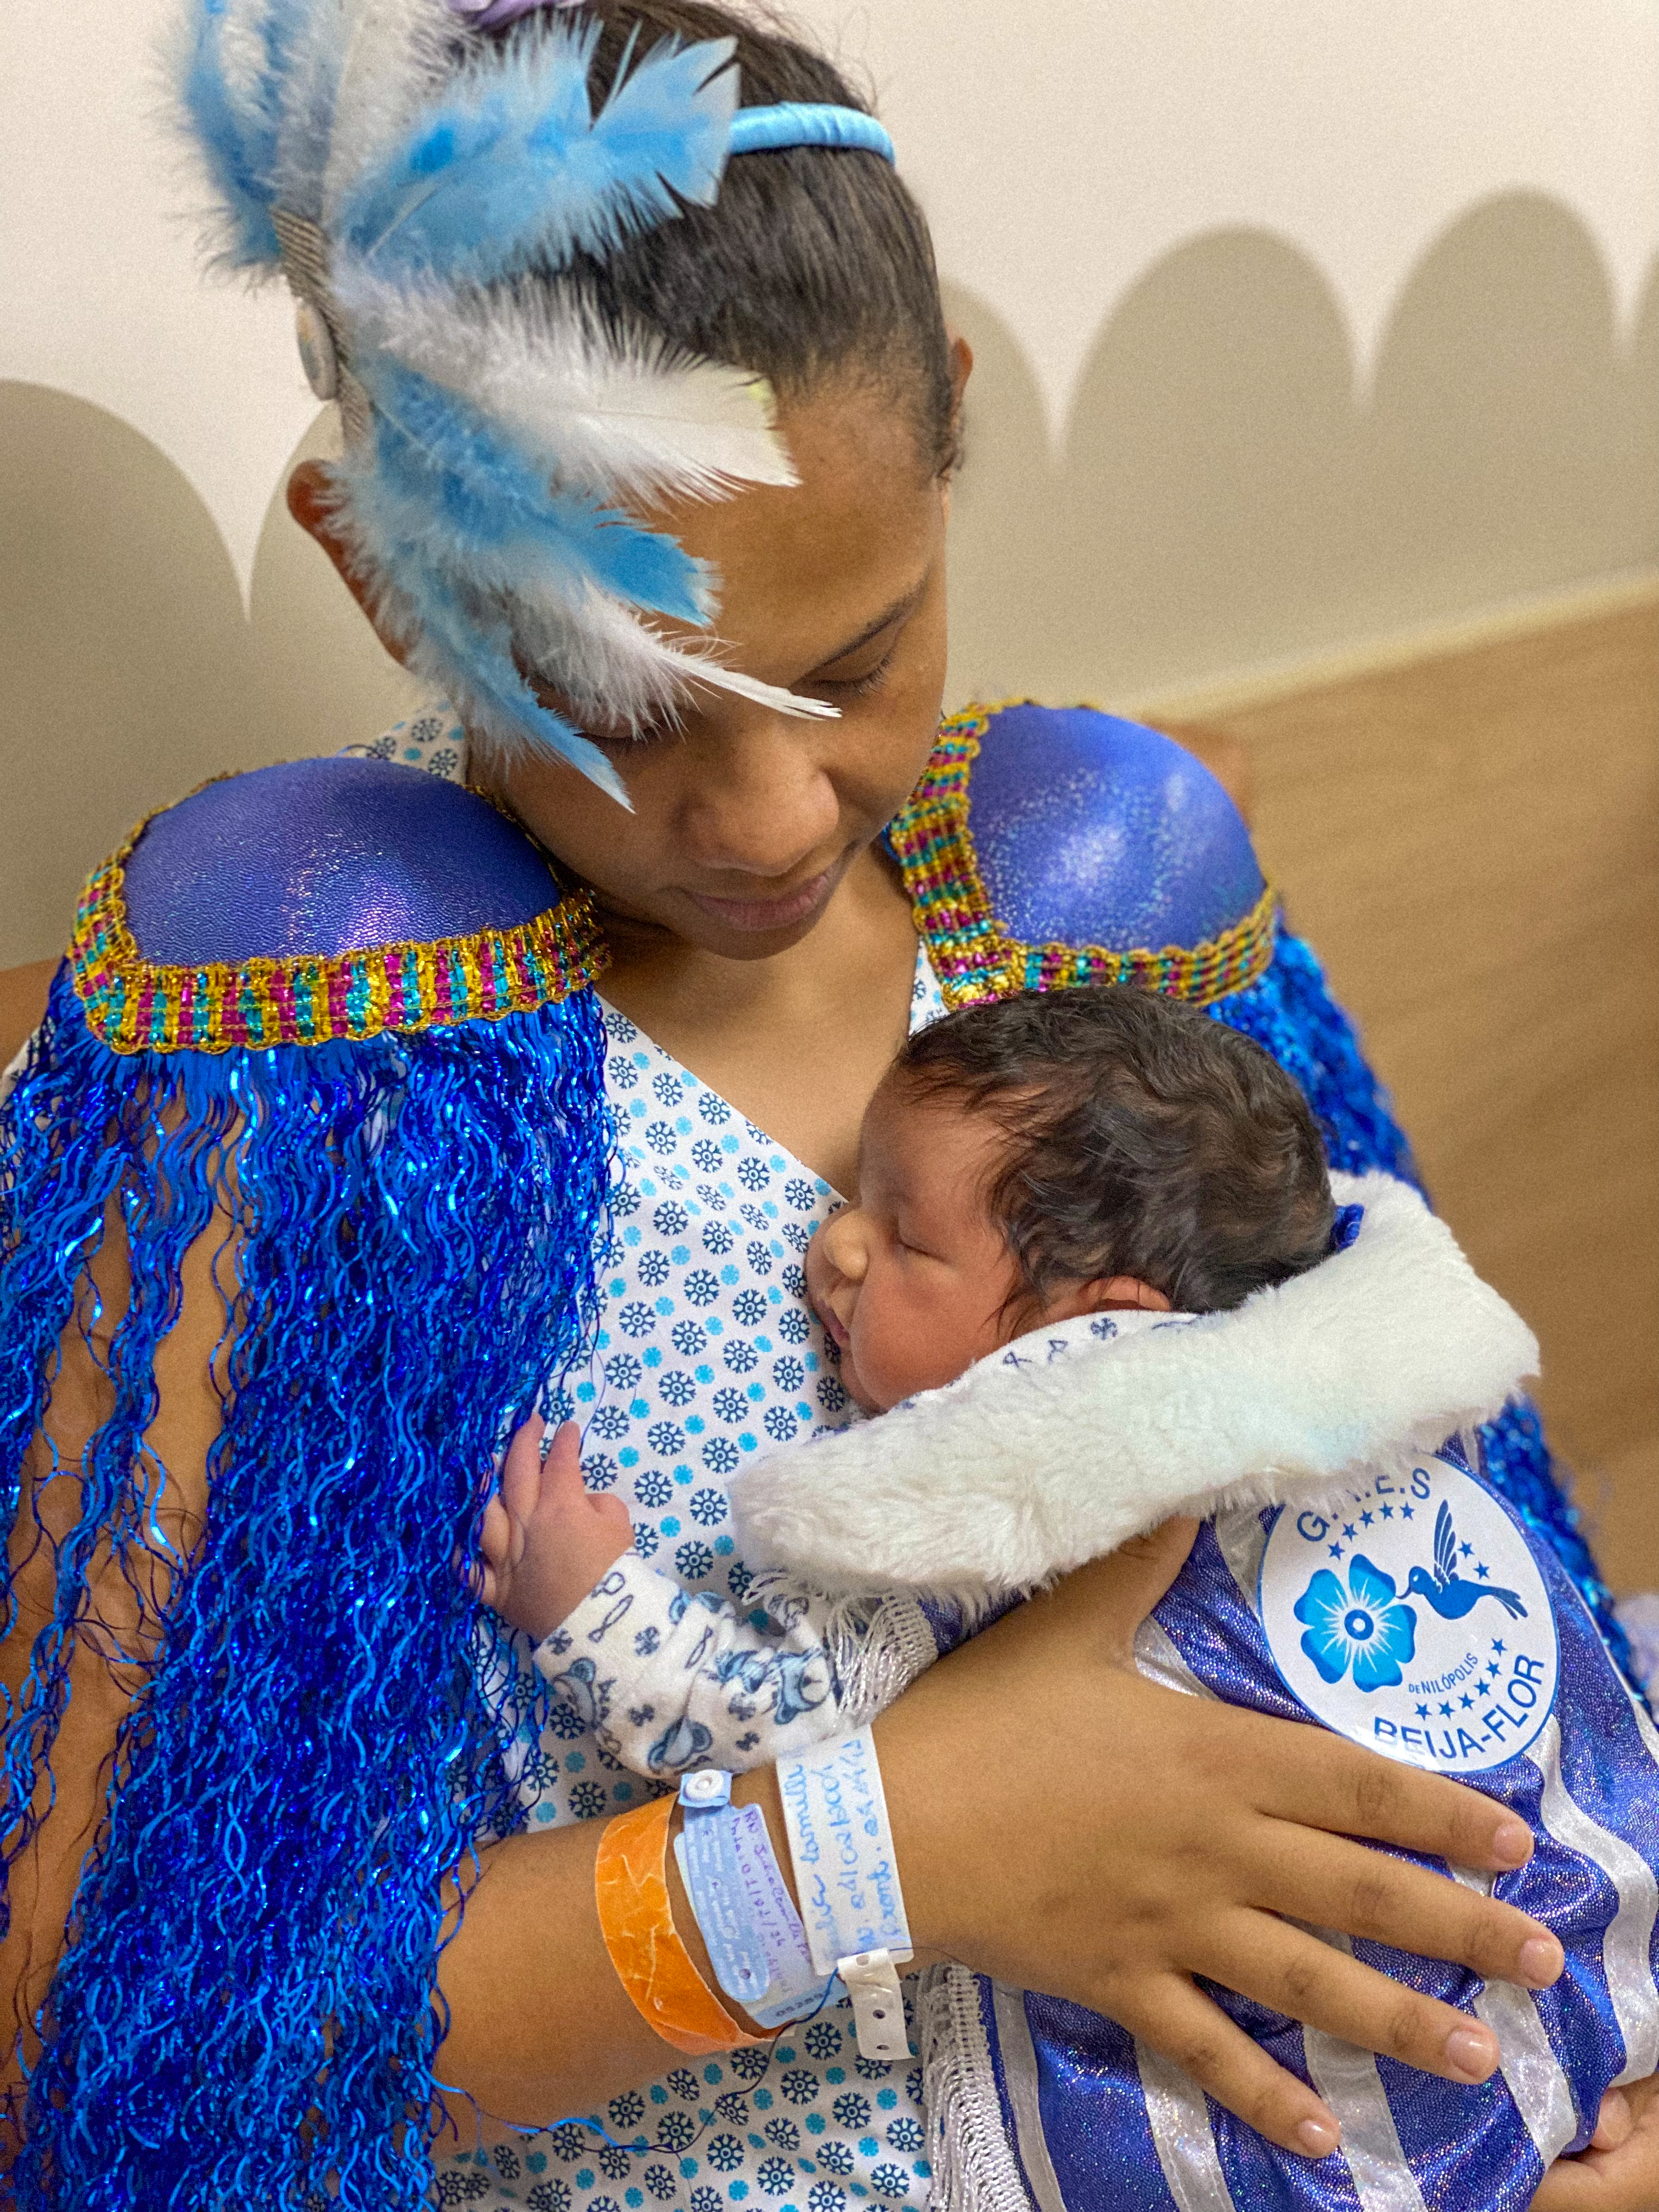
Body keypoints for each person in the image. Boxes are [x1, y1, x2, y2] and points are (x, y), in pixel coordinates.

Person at [3, 2, 1656, 2208]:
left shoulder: (1103, 909)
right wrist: (893, 1842)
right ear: (374, 562)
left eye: (855, 663)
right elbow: (102, 2066)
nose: (769, 812)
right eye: (610, 701)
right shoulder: (313, 1055)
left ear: (952, 424)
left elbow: (1484, 1596)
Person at [473, 984, 1659, 2208]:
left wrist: (591, 1608)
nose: (832, 1243)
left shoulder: (1013, 1505)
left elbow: (798, 1756)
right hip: (1575, 2015)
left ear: (1098, 1330)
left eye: (906, 1235)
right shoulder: (1349, 1389)